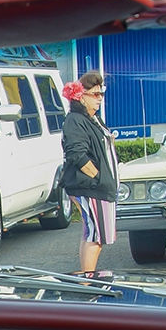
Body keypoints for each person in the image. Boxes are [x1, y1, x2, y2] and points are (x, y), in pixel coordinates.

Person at [60, 71, 117, 275]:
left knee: (93, 233)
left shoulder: (94, 119)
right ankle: (87, 279)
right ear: (81, 96)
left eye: (101, 94)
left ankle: (87, 278)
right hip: (91, 188)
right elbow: (77, 154)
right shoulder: (75, 120)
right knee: (95, 235)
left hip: (99, 188)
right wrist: (99, 178)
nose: (100, 98)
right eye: (95, 94)